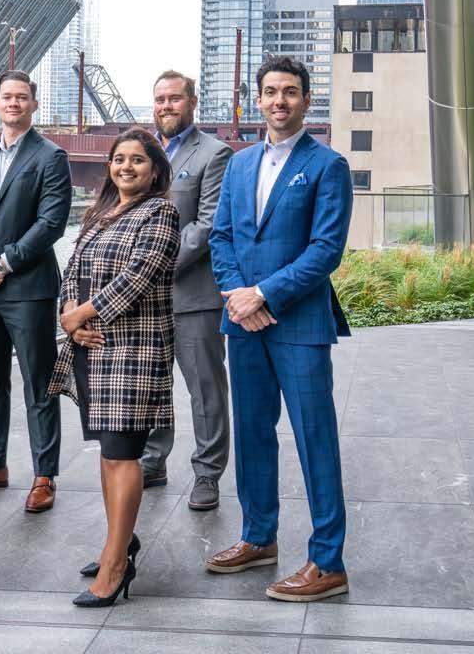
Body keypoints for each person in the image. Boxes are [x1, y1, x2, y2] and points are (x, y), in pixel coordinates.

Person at [205, 55, 353, 602]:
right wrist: (238, 297)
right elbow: (221, 237)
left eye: (290, 91)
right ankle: (258, 537)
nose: (279, 101)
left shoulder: (327, 165)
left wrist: (263, 293)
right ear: (259, 99)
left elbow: (325, 250)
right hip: (243, 323)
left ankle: (328, 561)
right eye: (270, 91)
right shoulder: (240, 164)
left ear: (306, 100)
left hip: (299, 323)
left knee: (316, 438)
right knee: (251, 433)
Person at [49, 128, 180, 608]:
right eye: (119, 159)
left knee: (124, 454)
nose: (126, 167)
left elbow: (139, 276)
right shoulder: (100, 213)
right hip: (93, 349)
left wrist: (83, 314)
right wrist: (70, 317)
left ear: (155, 170)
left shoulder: (160, 212)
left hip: (134, 352)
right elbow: (72, 272)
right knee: (108, 453)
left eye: (138, 160)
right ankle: (119, 541)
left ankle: (115, 564)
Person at [0, 70, 72, 513]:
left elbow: (51, 223)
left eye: (22, 97)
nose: (14, 103)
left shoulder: (51, 157)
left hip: (28, 288)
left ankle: (44, 474)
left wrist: (4, 263)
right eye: (7, 97)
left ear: (33, 105)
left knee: (38, 382)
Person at [140, 70, 233, 510]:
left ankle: (207, 473)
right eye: (160, 99)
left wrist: (155, 265)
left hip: (193, 295)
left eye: (175, 98)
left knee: (205, 390)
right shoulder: (143, 152)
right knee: (152, 385)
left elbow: (208, 224)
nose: (166, 106)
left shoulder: (214, 153)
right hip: (145, 298)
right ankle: (153, 461)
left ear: (192, 102)